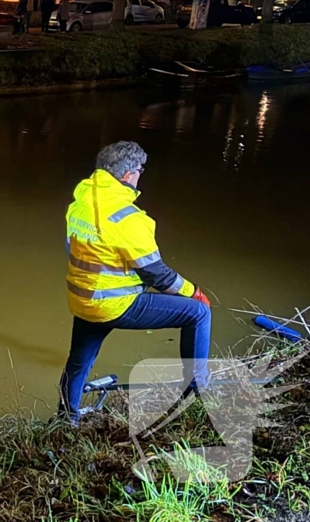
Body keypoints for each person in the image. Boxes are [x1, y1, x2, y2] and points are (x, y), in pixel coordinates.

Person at [59, 141, 211, 424]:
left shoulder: (79, 204)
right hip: (116, 303)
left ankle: (66, 418)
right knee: (199, 313)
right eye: (140, 170)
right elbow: (157, 275)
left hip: (83, 298)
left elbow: (74, 250)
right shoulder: (128, 217)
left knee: (78, 361)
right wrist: (195, 292)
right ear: (128, 175)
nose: (141, 175)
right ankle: (197, 388)